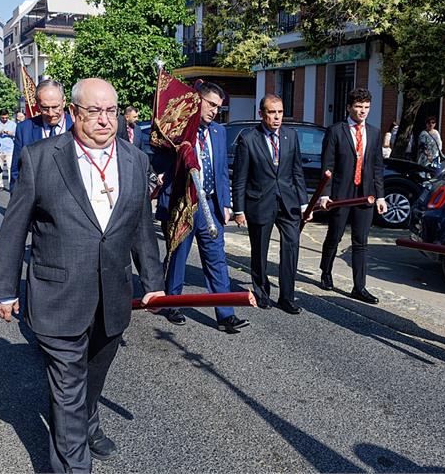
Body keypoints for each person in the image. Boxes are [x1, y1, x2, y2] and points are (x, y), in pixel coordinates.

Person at [0, 78, 165, 473]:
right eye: (94, 112)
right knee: (67, 386)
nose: (104, 120)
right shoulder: (40, 157)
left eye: (111, 111)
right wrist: (3, 289)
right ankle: (74, 463)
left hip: (113, 296)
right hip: (58, 295)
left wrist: (154, 286)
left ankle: (87, 422)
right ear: (74, 113)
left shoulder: (135, 159)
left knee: (92, 376)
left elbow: (141, 226)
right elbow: (15, 228)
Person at [153, 80, 249, 334]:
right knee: (178, 258)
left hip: (210, 207)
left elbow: (221, 172)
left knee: (217, 260)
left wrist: (226, 204)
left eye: (219, 107)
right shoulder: (180, 128)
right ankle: (172, 304)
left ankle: (225, 314)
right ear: (198, 100)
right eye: (211, 104)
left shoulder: (218, 132)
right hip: (183, 205)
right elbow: (159, 159)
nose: (215, 110)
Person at [232, 94, 309, 314]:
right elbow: (240, 177)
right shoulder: (248, 139)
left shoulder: (290, 136)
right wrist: (239, 209)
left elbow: (297, 172)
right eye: (272, 112)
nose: (277, 117)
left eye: (280, 112)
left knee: (291, 247)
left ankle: (287, 297)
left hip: (288, 203)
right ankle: (262, 291)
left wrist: (304, 204)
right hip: (259, 202)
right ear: (261, 114)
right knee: (259, 251)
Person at [317, 88, 387, 304]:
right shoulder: (336, 131)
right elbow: (327, 165)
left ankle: (359, 287)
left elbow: (377, 167)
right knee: (334, 236)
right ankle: (326, 273)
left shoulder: (374, 133)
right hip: (341, 193)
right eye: (358, 106)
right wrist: (325, 194)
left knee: (361, 242)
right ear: (349, 107)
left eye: (366, 107)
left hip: (365, 195)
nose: (362, 111)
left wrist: (381, 196)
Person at [10, 79, 74, 191]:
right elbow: (17, 171)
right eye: (45, 108)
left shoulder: (76, 126)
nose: (51, 113)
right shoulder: (24, 129)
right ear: (38, 104)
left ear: (63, 102)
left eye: (55, 107)